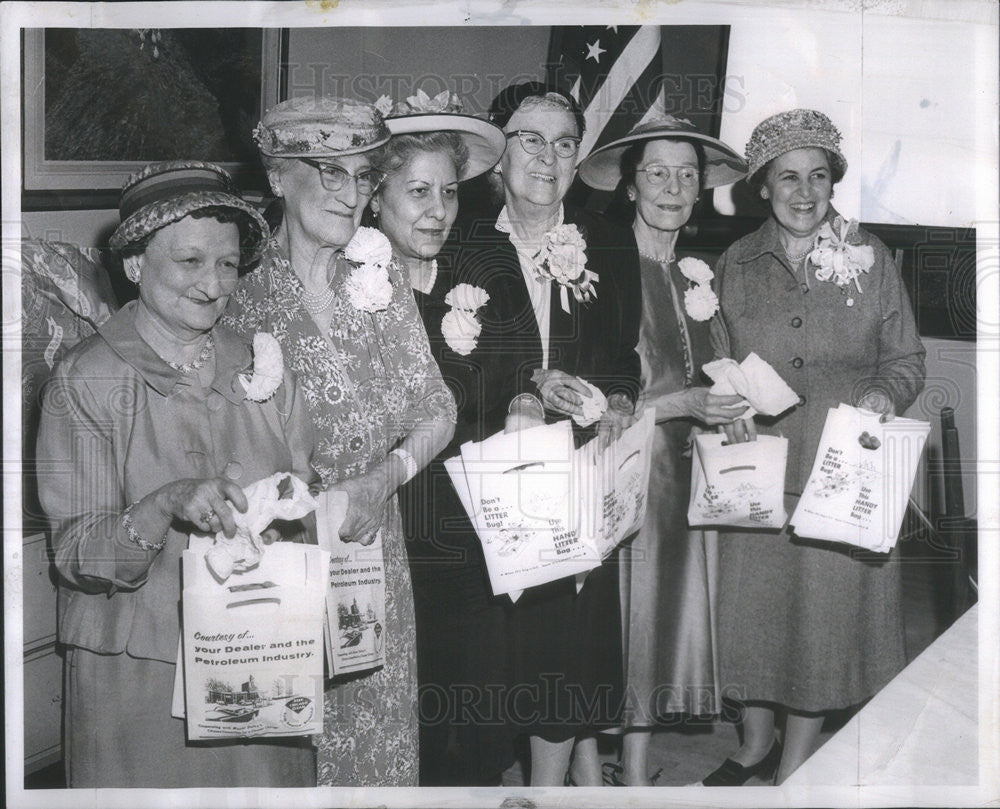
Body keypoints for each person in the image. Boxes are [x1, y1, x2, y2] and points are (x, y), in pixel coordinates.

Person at [36, 160, 317, 787]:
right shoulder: (86, 381)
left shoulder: (262, 362)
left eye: (227, 264)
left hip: (259, 648)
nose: (214, 284)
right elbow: (79, 552)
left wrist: (296, 509)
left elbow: (304, 481)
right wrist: (163, 504)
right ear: (135, 265)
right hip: (140, 677)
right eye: (190, 262)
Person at [222, 95, 457, 786]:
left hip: (373, 555)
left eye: (361, 176)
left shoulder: (380, 284)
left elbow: (438, 407)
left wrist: (382, 478)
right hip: (278, 563)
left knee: (376, 746)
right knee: (290, 748)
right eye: (329, 172)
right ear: (275, 177)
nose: (351, 194)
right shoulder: (238, 302)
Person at [703, 109, 926, 785]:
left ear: (833, 184)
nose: (805, 192)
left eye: (819, 177)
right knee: (753, 618)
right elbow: (713, 357)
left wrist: (886, 394)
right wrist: (727, 401)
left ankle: (796, 757)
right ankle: (753, 742)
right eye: (788, 178)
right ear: (761, 187)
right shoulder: (734, 264)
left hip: (843, 474)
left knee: (822, 623)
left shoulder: (872, 257)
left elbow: (908, 358)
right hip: (757, 469)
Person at [447, 81, 642, 787]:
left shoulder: (608, 238)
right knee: (497, 651)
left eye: (565, 142)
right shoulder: (461, 243)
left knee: (566, 647)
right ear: (498, 152)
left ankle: (547, 791)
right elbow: (446, 369)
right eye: (531, 138)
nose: (549, 157)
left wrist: (617, 398)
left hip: (579, 476)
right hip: (493, 476)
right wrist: (524, 389)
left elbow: (623, 357)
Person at [578, 115, 749, 786]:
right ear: (629, 185)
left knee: (656, 623)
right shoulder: (600, 268)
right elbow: (590, 397)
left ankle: (639, 767)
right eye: (657, 173)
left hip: (682, 478)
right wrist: (679, 405)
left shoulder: (695, 274)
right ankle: (589, 772)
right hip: (620, 469)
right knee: (602, 625)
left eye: (687, 174)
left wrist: (733, 410)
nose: (673, 187)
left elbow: (713, 371)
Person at [369, 93, 511, 785]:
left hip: (472, 531)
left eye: (450, 192)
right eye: (418, 191)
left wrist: (534, 399)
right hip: (391, 529)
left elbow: (510, 384)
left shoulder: (475, 281)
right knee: (407, 709)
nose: (438, 210)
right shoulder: (347, 294)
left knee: (475, 706)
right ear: (374, 195)